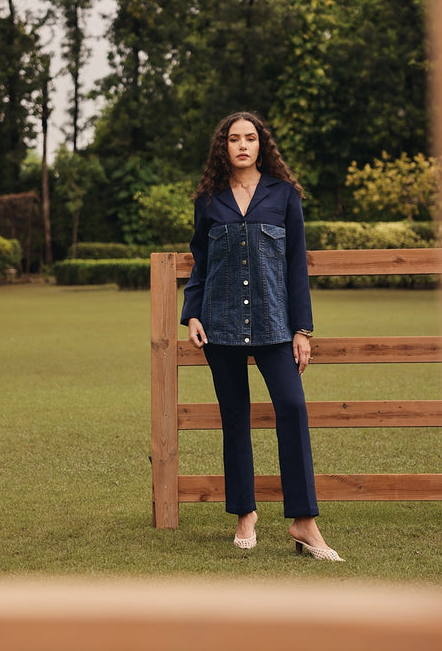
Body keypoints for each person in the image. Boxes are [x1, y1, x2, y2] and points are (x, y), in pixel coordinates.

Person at [180, 111, 344, 562]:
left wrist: (302, 329)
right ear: (224, 147)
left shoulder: (284, 195)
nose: (242, 145)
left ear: (261, 145)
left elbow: (296, 264)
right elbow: (200, 261)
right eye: (234, 139)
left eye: (250, 138)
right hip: (220, 323)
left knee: (292, 407)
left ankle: (303, 521)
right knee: (234, 417)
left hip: (275, 325)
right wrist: (191, 314)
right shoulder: (209, 200)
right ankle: (244, 513)